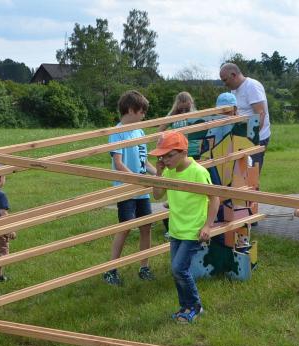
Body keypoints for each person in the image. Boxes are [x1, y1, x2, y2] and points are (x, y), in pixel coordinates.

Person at [149, 131, 219, 323]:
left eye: (169, 155)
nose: (165, 159)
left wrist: (208, 226)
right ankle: (185, 307)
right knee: (177, 270)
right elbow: (157, 195)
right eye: (162, 156)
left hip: (193, 231)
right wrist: (159, 172)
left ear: (183, 152)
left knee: (179, 269)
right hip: (176, 230)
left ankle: (195, 307)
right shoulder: (169, 171)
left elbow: (215, 198)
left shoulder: (198, 172)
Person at [103, 90, 158, 286]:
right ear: (131, 110)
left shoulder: (140, 131)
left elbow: (145, 161)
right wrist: (135, 179)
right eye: (142, 112)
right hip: (125, 189)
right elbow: (118, 163)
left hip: (141, 190)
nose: (144, 116)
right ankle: (111, 270)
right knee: (125, 228)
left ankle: (144, 267)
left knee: (146, 227)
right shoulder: (117, 132)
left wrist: (157, 175)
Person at [219, 63, 271, 172]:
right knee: (239, 174)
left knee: (251, 174)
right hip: (242, 137)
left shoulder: (252, 86)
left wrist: (250, 139)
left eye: (225, 80)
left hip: (256, 138)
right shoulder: (234, 89)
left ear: (233, 75)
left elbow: (261, 114)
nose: (224, 84)